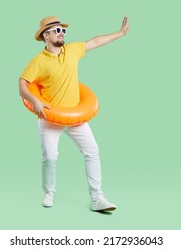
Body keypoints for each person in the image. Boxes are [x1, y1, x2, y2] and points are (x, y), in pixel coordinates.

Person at [19, 16, 129, 211]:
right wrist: (35, 100)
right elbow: (22, 84)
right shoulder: (39, 61)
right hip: (49, 117)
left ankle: (97, 198)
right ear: (46, 35)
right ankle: (49, 192)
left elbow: (95, 41)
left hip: (75, 116)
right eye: (57, 30)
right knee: (50, 157)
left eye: (64, 30)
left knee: (92, 151)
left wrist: (119, 33)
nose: (62, 33)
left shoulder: (72, 50)